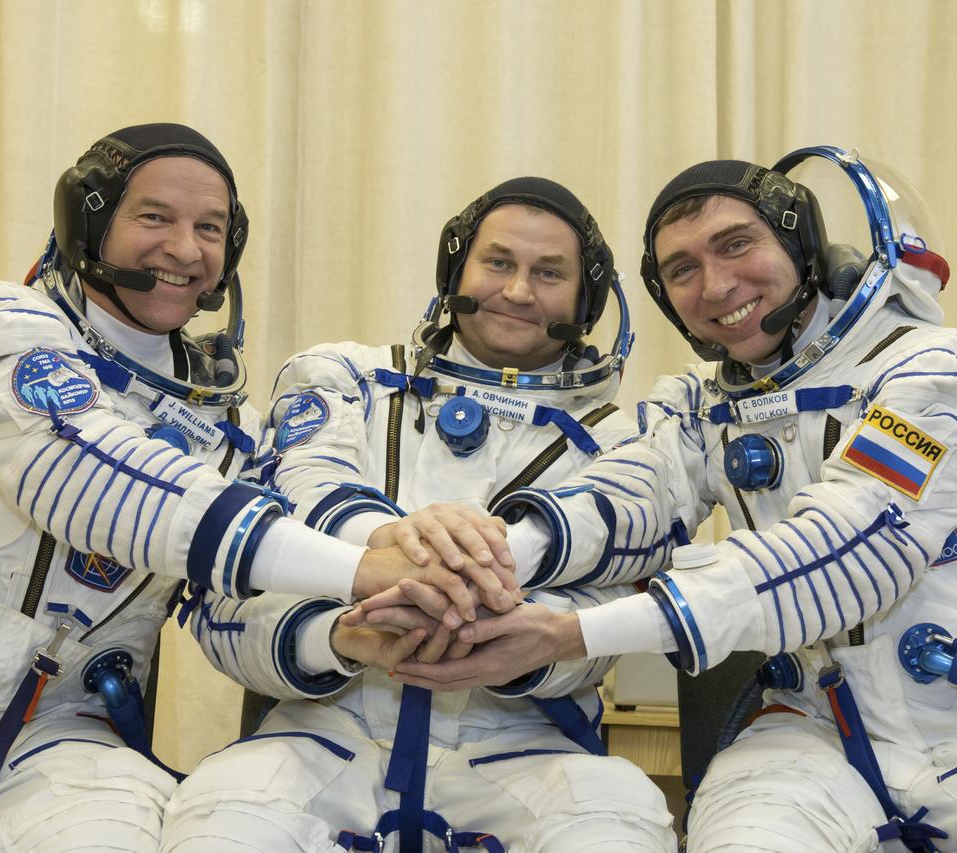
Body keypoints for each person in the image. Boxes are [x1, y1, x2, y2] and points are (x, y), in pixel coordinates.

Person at [384, 150, 957, 851]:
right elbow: (620, 502)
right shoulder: (695, 404)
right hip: (810, 734)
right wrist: (478, 558)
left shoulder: (936, 374)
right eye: (683, 269)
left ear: (802, 245)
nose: (715, 287)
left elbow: (846, 549)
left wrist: (573, 632)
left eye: (736, 245)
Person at [0, 123, 506, 853]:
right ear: (89, 221)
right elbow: (91, 478)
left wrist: (338, 635)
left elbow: (232, 612)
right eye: (154, 217)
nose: (186, 250)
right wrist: (363, 567)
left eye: (210, 228)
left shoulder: (224, 425)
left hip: (53, 735)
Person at [159, 178, 678, 852]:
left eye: (548, 273)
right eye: (498, 263)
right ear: (454, 268)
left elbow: (599, 617)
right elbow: (247, 579)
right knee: (220, 827)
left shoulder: (624, 441)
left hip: (521, 741)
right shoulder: (345, 379)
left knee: (620, 827)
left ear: (586, 298)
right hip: (326, 730)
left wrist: (512, 647)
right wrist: (353, 609)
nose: (519, 291)